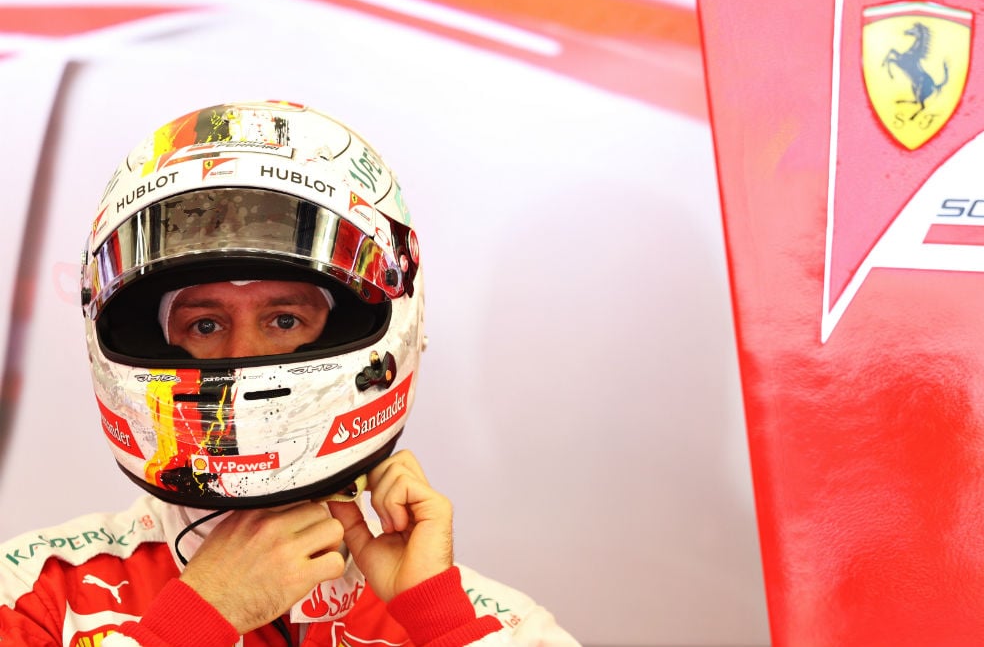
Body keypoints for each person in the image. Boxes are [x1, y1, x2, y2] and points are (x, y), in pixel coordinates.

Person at [0, 101, 579, 646]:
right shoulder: (33, 594)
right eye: (204, 324)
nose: (243, 353)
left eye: (283, 319)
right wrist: (198, 618)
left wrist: (436, 618)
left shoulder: (491, 623)